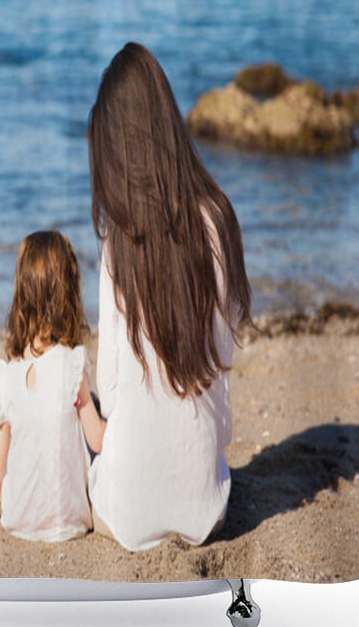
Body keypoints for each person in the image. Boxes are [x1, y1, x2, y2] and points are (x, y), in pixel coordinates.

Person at [87, 42, 252, 551]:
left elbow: (111, 396)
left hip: (129, 518)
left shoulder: (119, 244)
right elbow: (222, 360)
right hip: (206, 512)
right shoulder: (218, 220)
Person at [0, 230, 106, 542]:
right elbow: (97, 440)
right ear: (68, 295)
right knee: (94, 406)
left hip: (18, 520)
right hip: (70, 520)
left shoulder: (6, 378)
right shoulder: (71, 365)